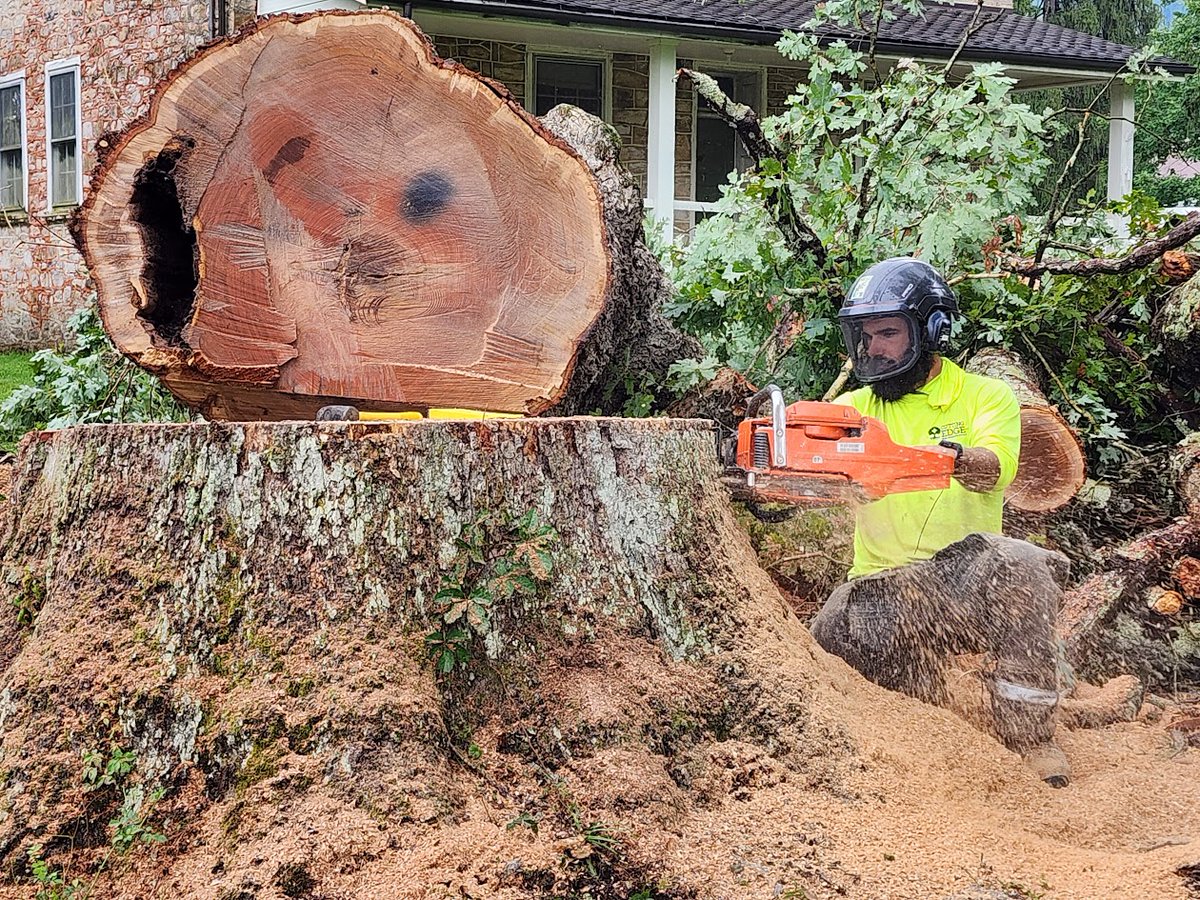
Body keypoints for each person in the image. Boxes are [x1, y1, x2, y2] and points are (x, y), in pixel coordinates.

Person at [808, 256, 1076, 786]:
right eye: (864, 335)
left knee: (1023, 563)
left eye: (887, 333)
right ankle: (924, 720)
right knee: (830, 628)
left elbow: (994, 468)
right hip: (882, 589)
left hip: (964, 580)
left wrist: (950, 459)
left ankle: (1032, 737)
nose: (873, 348)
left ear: (931, 331)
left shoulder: (985, 396)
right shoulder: (851, 408)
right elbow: (808, 465)